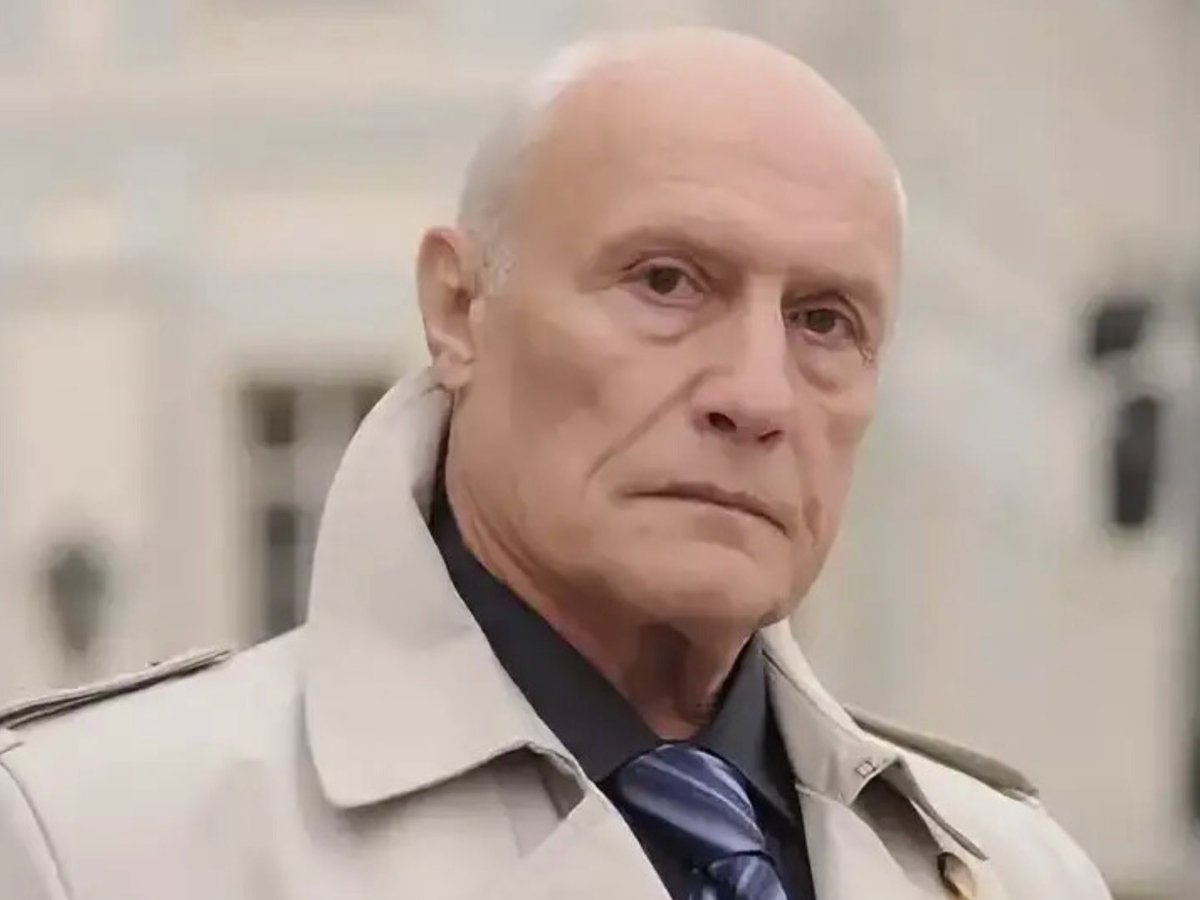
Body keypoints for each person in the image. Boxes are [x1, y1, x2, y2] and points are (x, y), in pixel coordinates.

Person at [0, 27, 1111, 900]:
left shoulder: (1021, 873)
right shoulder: (90, 843)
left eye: (824, 321)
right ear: (458, 309)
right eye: (667, 282)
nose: (757, 395)